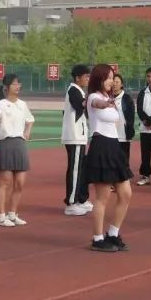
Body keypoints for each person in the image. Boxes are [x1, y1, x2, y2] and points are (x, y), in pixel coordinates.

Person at [83, 65, 133, 251]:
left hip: (114, 146)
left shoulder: (109, 98)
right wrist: (105, 104)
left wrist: (109, 102)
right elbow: (97, 104)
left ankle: (113, 233)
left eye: (113, 78)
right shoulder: (94, 97)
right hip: (101, 145)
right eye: (108, 78)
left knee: (126, 193)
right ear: (99, 79)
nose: (112, 81)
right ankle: (97, 239)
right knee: (102, 197)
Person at [0, 73, 34, 227]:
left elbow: (30, 119)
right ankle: (1, 216)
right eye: (14, 84)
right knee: (5, 182)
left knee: (20, 183)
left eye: (18, 83)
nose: (17, 86)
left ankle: (13, 214)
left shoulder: (22, 104)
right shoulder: (1, 104)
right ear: (6, 87)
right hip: (6, 143)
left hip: (20, 144)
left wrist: (27, 131)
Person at [61, 64, 92, 216]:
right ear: (77, 78)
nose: (88, 79)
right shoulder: (73, 90)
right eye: (86, 76)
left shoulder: (78, 90)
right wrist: (93, 98)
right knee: (74, 170)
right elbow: (80, 105)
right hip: (74, 136)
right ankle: (71, 203)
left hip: (79, 136)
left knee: (79, 169)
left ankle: (80, 199)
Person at [112, 73, 135, 166]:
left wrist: (129, 131)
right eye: (113, 82)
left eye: (117, 82)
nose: (114, 84)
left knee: (123, 160)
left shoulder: (126, 98)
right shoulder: (107, 97)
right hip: (110, 135)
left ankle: (124, 174)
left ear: (121, 84)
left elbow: (131, 117)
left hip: (123, 135)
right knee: (111, 159)